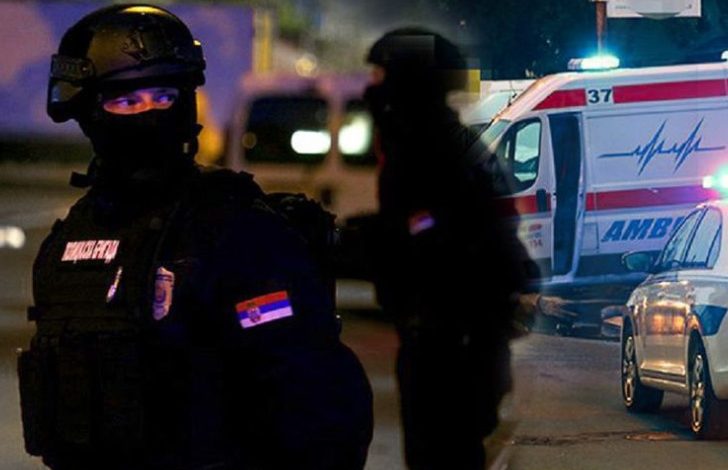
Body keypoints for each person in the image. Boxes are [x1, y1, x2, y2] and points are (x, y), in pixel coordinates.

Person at [17, 5, 372, 469]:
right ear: (86, 111)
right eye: (126, 101)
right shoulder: (69, 239)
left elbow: (316, 409)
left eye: (164, 96)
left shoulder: (237, 229)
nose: (148, 114)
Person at [363, 27, 531, 470]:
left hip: (449, 342)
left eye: (384, 78)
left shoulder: (429, 153)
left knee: (442, 451)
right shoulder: (443, 146)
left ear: (411, 85)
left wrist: (381, 240)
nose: (373, 92)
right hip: (454, 337)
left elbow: (439, 234)